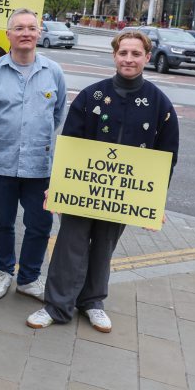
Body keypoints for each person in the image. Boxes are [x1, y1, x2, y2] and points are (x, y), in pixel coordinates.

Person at [27, 31, 179, 333]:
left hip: (122, 195)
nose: (129, 59)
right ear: (114, 56)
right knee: (70, 245)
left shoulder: (160, 104)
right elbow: (70, 144)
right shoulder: (91, 96)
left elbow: (167, 155)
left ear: (147, 57)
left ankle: (92, 302)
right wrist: (57, 186)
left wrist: (155, 202)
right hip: (82, 190)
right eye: (123, 53)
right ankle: (57, 306)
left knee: (104, 246)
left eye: (136, 54)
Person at [0, 9, 66, 302]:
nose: (26, 33)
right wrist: (2, 140)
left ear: (39, 33)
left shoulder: (54, 72)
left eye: (31, 28)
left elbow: (57, 114)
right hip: (1, 163)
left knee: (40, 224)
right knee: (3, 221)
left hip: (39, 165)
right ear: (8, 35)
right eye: (19, 28)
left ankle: (28, 277)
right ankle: (3, 271)